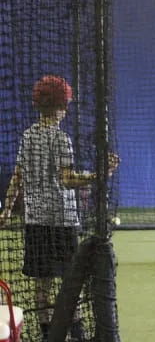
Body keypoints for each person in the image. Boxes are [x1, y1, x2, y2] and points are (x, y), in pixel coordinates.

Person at [0, 75, 119, 341]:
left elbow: (17, 177)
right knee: (70, 283)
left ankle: (46, 335)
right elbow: (67, 180)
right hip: (62, 223)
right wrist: (99, 175)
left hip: (34, 223)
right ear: (61, 106)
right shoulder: (61, 139)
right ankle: (75, 333)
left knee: (41, 285)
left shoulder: (28, 136)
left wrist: (6, 210)